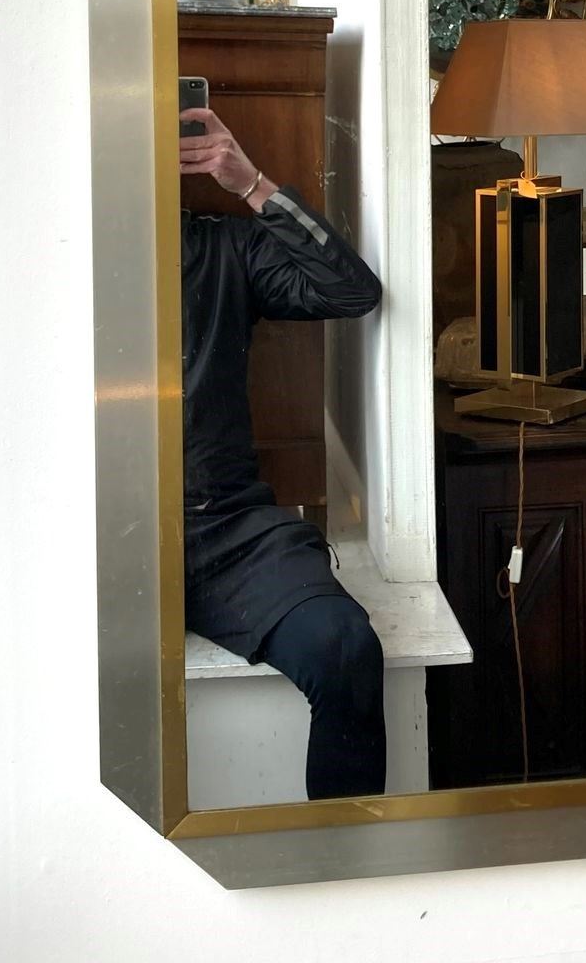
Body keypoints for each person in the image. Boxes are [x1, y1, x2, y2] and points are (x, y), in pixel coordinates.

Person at [179, 105, 385, 800]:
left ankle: (339, 856)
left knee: (343, 647)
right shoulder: (48, 257)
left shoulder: (221, 248)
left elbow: (349, 290)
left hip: (224, 530)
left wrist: (250, 184)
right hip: (89, 541)